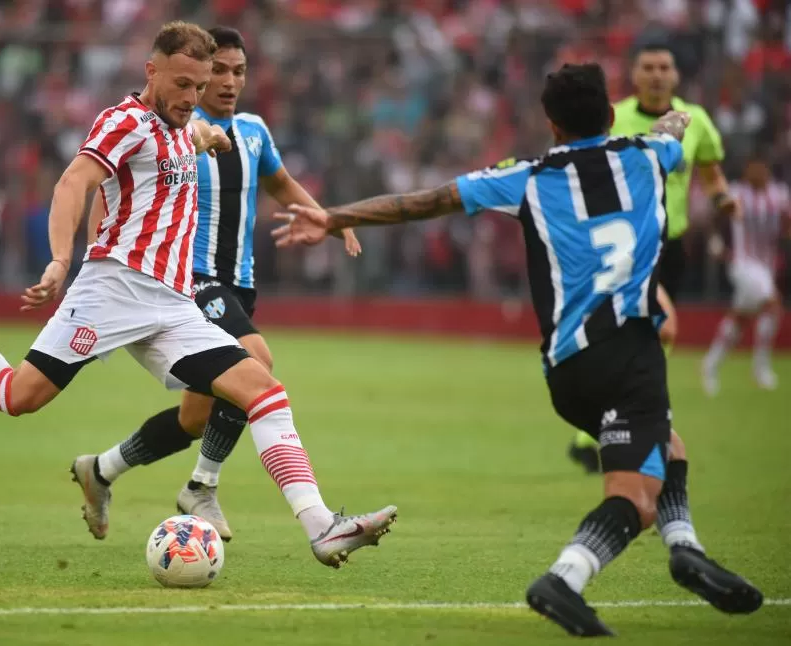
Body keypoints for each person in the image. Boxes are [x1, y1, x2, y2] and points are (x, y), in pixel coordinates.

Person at [0, 21, 395, 568]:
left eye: (200, 85)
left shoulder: (186, 130)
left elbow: (198, 140)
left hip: (172, 306)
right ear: (152, 71)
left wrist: (208, 138)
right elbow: (74, 181)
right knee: (18, 396)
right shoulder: (124, 123)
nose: (192, 98)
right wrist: (60, 259)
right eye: (182, 84)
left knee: (264, 390)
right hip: (110, 290)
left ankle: (322, 526)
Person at [272, 63, 763, 636]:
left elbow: (421, 202)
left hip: (566, 368)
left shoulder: (528, 177)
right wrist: (677, 116)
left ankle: (686, 549)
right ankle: (565, 577)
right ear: (609, 116)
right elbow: (672, 134)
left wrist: (334, 216)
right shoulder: (649, 158)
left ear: (550, 124)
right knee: (635, 499)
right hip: (631, 352)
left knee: (667, 446)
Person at [84, 26, 361, 543]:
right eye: (222, 71)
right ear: (201, 74)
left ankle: (101, 469)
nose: (230, 82)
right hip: (189, 278)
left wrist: (328, 218)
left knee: (197, 418)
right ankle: (201, 487)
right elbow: (112, 187)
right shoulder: (174, 132)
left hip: (239, 284)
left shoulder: (254, 130)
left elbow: (279, 183)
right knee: (256, 361)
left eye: (240, 71)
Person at [567, 42, 739, 474]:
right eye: (649, 67)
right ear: (635, 73)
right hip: (624, 246)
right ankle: (621, 425)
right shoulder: (614, 119)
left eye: (665, 66)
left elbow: (712, 174)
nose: (658, 74)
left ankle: (600, 429)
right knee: (644, 334)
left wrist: (723, 201)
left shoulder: (695, 121)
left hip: (671, 247)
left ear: (676, 75)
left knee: (646, 339)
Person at [702, 154, 789, 395]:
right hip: (742, 263)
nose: (755, 174)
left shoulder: (779, 194)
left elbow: (787, 223)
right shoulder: (738, 191)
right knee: (773, 305)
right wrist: (715, 240)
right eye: (751, 169)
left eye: (760, 169)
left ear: (767, 170)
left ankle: (710, 365)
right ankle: (760, 367)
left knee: (740, 319)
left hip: (766, 266)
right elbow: (716, 215)